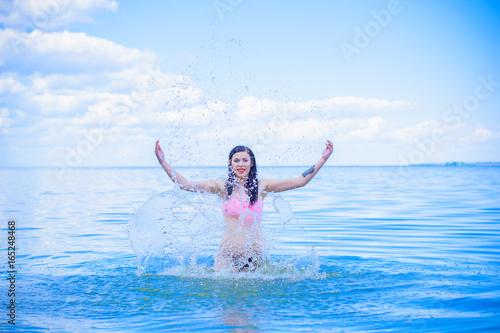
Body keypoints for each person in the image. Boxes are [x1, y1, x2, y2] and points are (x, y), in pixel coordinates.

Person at [154, 139, 334, 272]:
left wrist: (322, 159)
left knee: (249, 303)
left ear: (251, 163)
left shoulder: (262, 186)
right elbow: (185, 184)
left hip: (253, 254)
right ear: (230, 164)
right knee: (226, 302)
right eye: (236, 160)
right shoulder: (223, 188)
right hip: (226, 252)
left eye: (245, 160)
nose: (241, 164)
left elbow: (299, 181)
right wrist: (163, 162)